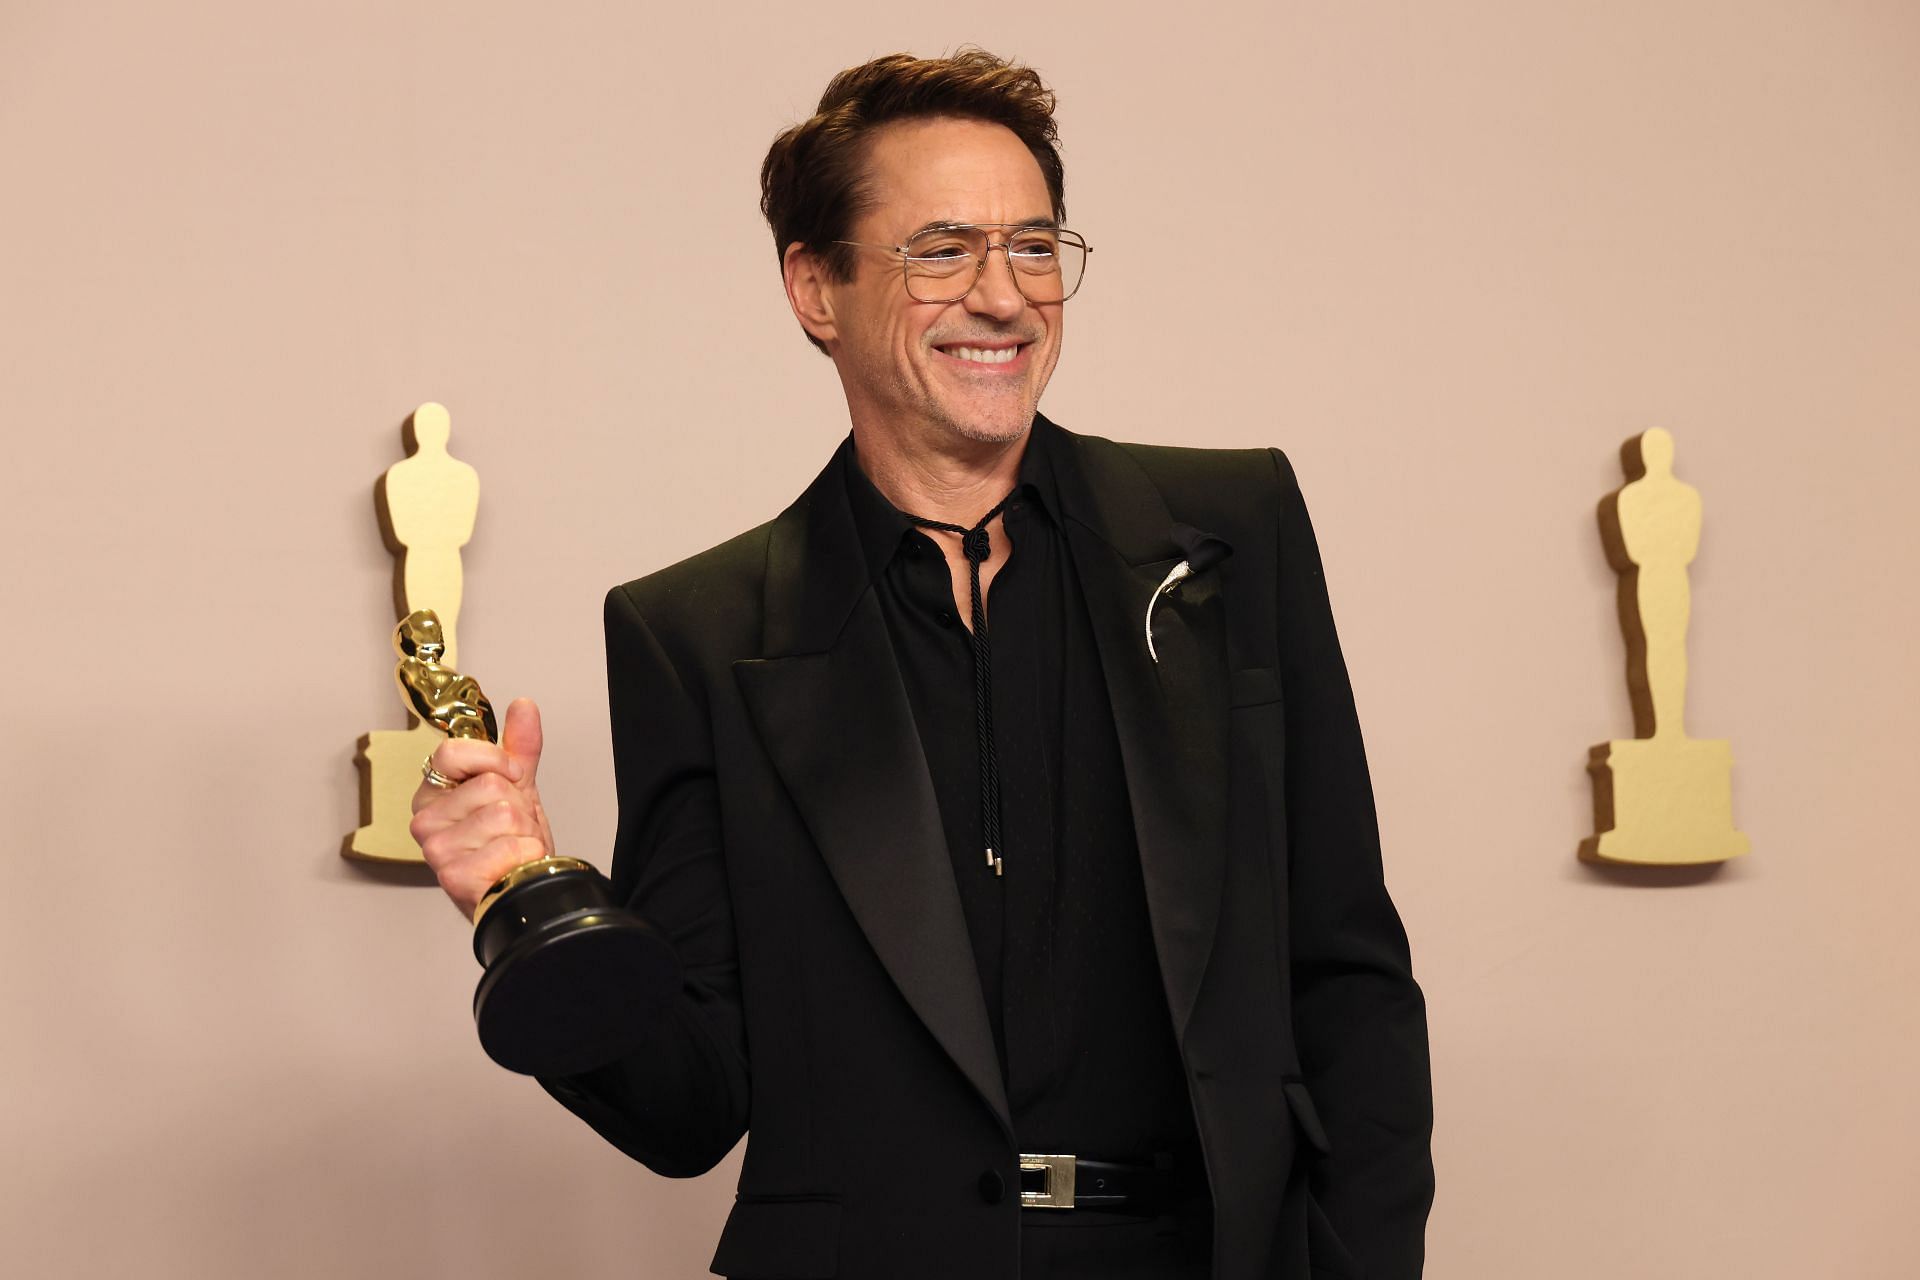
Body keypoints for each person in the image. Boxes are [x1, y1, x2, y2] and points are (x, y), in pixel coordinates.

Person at [411, 49, 1433, 1280]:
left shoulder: (1231, 532)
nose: (1003, 295)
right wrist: (527, 902)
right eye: (941, 249)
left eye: (1037, 246)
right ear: (815, 287)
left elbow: (1349, 974)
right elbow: (687, 1105)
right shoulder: (697, 631)